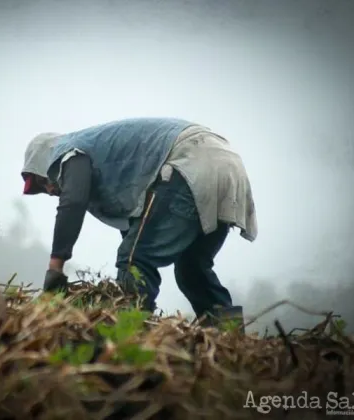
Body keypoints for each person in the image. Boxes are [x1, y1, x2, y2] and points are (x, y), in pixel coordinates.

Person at [21, 117, 257, 325]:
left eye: (42, 182)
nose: (50, 190)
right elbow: (141, 224)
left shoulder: (68, 151)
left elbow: (73, 203)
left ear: (46, 159)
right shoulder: (103, 154)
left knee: (134, 259)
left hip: (189, 160)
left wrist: (56, 268)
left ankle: (132, 333)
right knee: (192, 269)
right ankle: (230, 337)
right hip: (227, 164)